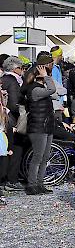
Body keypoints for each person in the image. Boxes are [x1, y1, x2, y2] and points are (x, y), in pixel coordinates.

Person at [21, 55, 57, 195]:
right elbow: (53, 90)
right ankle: (32, 185)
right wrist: (47, 77)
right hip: (37, 128)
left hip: (46, 126)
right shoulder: (34, 89)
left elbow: (55, 92)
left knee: (45, 157)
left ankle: (40, 184)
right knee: (37, 157)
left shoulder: (41, 88)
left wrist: (47, 79)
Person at [0, 57, 25, 193]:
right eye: (21, 68)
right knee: (16, 148)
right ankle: (12, 180)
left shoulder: (3, 79)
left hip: (2, 119)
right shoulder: (14, 81)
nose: (22, 71)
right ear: (15, 68)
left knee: (4, 149)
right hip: (11, 119)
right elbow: (15, 103)